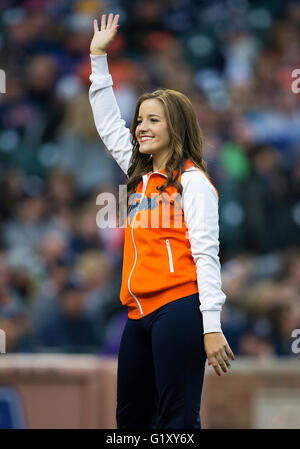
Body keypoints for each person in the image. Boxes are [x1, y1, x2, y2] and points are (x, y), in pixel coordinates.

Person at [89, 13, 235, 429]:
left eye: (153, 120)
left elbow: (207, 257)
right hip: (136, 315)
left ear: (177, 126)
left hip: (180, 309)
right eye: (140, 119)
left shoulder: (194, 183)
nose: (141, 127)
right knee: (130, 420)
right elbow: (107, 125)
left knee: (177, 419)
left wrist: (211, 327)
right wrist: (98, 59)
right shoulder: (138, 176)